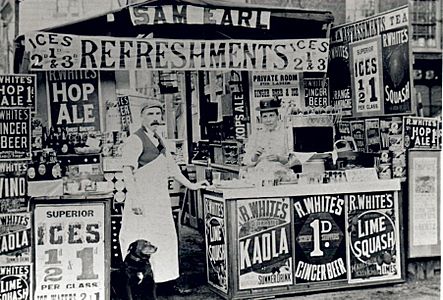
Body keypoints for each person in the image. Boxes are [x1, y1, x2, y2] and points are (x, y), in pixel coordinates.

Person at [119, 99, 207, 295]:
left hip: (160, 200)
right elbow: (127, 172)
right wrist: (134, 200)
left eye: (158, 114)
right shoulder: (135, 140)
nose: (155, 118)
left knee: (166, 239)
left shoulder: (161, 140)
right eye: (150, 114)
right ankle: (140, 285)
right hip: (141, 200)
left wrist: (192, 185)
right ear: (141, 117)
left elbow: (173, 169)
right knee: (140, 241)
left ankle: (167, 282)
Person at [242, 97, 293, 182]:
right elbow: (246, 161)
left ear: (278, 116)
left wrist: (279, 158)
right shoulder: (256, 135)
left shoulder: (287, 133)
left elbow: (295, 160)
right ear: (261, 119)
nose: (268, 120)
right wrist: (254, 157)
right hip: (259, 175)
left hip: (282, 175)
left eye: (271, 115)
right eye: (265, 116)